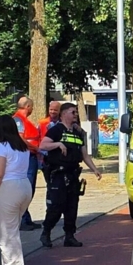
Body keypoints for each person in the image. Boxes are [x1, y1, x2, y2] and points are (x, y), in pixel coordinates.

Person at [39, 102, 101, 248]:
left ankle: (69, 236)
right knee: (56, 206)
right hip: (58, 174)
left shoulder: (78, 133)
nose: (76, 115)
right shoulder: (56, 130)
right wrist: (58, 144)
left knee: (72, 207)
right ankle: (46, 232)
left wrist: (94, 169)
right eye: (73, 112)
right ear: (64, 113)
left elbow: (84, 155)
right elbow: (43, 145)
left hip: (73, 174)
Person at [0, 115, 34, 265]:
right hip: (24, 185)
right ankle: (9, 264)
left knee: (4, 229)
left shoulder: (1, 147)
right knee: (13, 227)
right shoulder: (22, 146)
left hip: (8, 187)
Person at [13, 96, 42, 230]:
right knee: (27, 188)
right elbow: (20, 137)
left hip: (30, 156)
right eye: (32, 107)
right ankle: (22, 219)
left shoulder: (23, 120)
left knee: (29, 189)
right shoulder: (18, 119)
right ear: (28, 107)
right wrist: (35, 148)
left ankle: (26, 217)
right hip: (27, 156)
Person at [38, 100, 61, 184]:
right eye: (51, 109)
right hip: (46, 158)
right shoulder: (42, 123)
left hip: (59, 157)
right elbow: (38, 138)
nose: (52, 112)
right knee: (49, 183)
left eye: (55, 110)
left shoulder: (63, 123)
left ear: (59, 111)